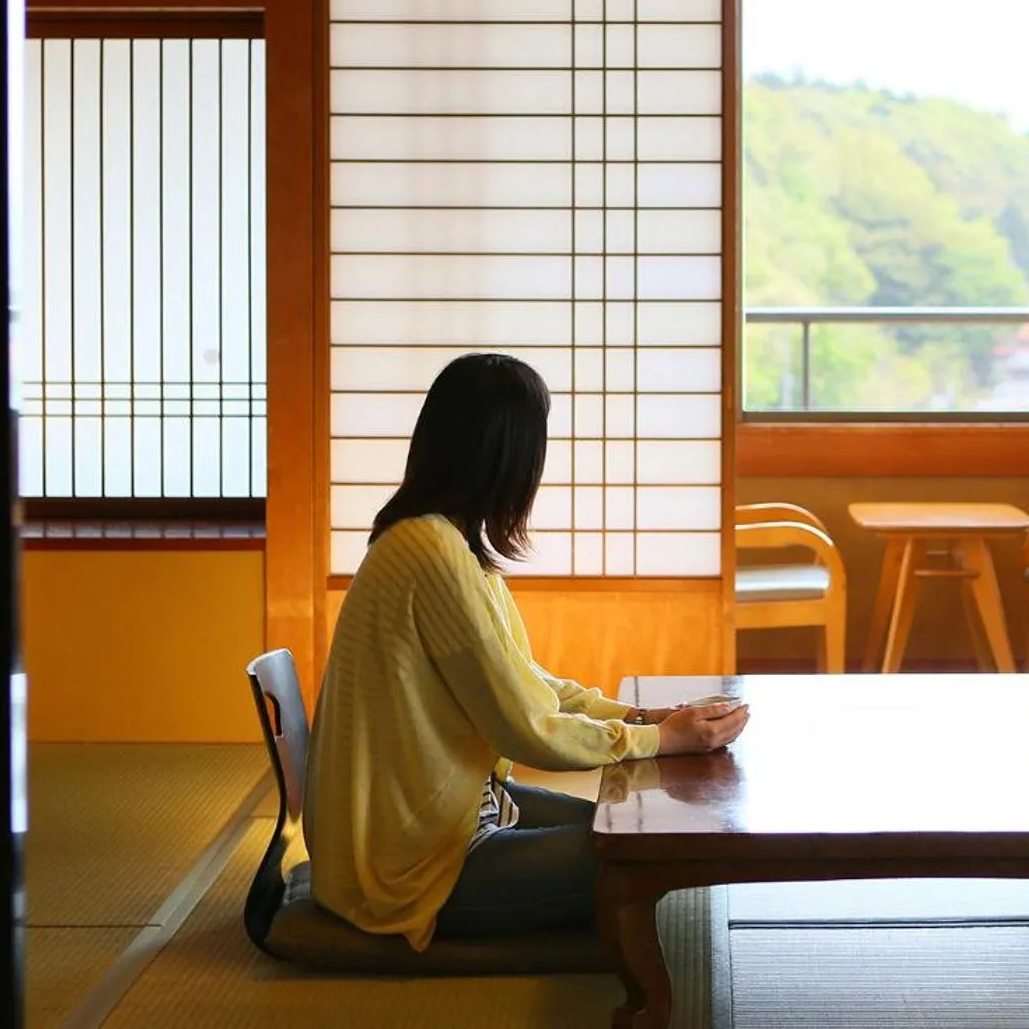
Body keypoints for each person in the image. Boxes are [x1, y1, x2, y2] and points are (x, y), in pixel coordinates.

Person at [304, 352, 749, 949]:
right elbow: (524, 727)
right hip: (419, 862)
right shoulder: (429, 551)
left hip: (455, 813)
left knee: (630, 825)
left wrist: (645, 719)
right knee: (649, 851)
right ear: (505, 455)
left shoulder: (443, 541)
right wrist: (660, 741)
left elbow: (525, 681)